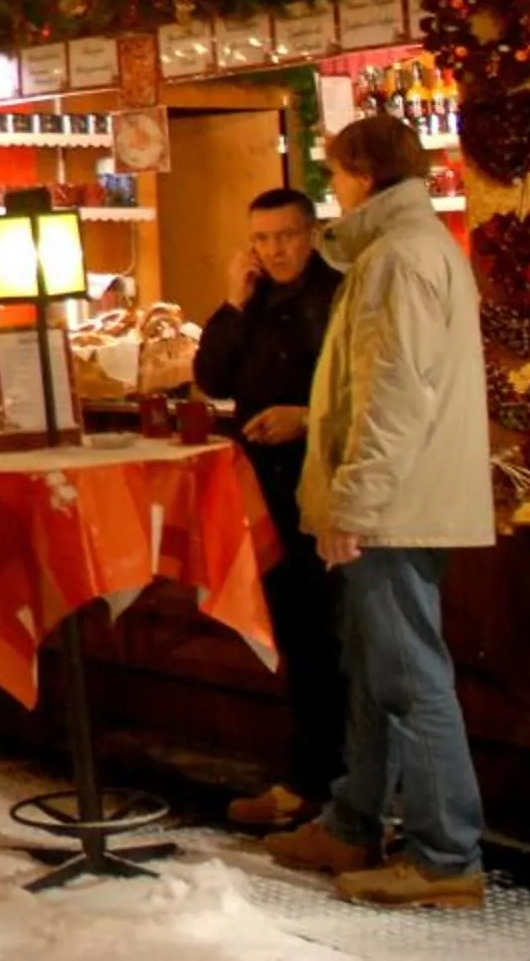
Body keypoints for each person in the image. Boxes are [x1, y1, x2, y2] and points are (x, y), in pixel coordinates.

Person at [267, 116, 493, 912]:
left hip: (397, 505)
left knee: (408, 677)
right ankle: (353, 822)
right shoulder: (403, 250)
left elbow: (392, 393)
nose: (333, 187)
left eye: (336, 171)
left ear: (363, 172)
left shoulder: (399, 258)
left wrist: (354, 503)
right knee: (373, 669)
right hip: (399, 498)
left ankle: (445, 856)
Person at [195, 186, 345, 833]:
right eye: (262, 238)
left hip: (329, 489)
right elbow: (211, 378)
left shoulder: (338, 295)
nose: (275, 250)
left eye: (286, 235)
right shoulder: (251, 302)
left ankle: (335, 786)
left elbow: (364, 388)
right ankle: (311, 781)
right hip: (265, 493)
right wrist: (232, 301)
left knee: (333, 641)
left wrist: (305, 418)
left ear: (312, 234)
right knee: (298, 636)